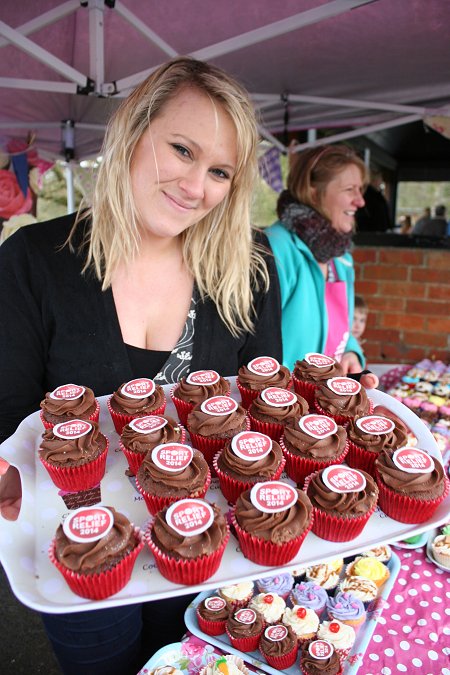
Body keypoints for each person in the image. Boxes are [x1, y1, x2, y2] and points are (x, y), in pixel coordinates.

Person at [0, 57, 282, 674]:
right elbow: (8, 419)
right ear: (133, 132)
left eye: (219, 171)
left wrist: (323, 405)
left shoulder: (250, 263)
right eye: (182, 149)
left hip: (213, 545)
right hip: (83, 556)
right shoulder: (34, 258)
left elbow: (262, 414)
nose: (195, 186)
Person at [265, 144, 378, 388]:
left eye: (360, 190)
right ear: (313, 193)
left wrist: (350, 353)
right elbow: (256, 345)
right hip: (283, 403)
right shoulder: (275, 249)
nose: (360, 201)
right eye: (350, 189)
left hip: (325, 397)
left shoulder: (340, 254)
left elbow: (342, 328)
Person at [355, 167, 391, 233]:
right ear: (374, 180)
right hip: (372, 232)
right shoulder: (371, 196)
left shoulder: (376, 196)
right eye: (380, 179)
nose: (381, 181)